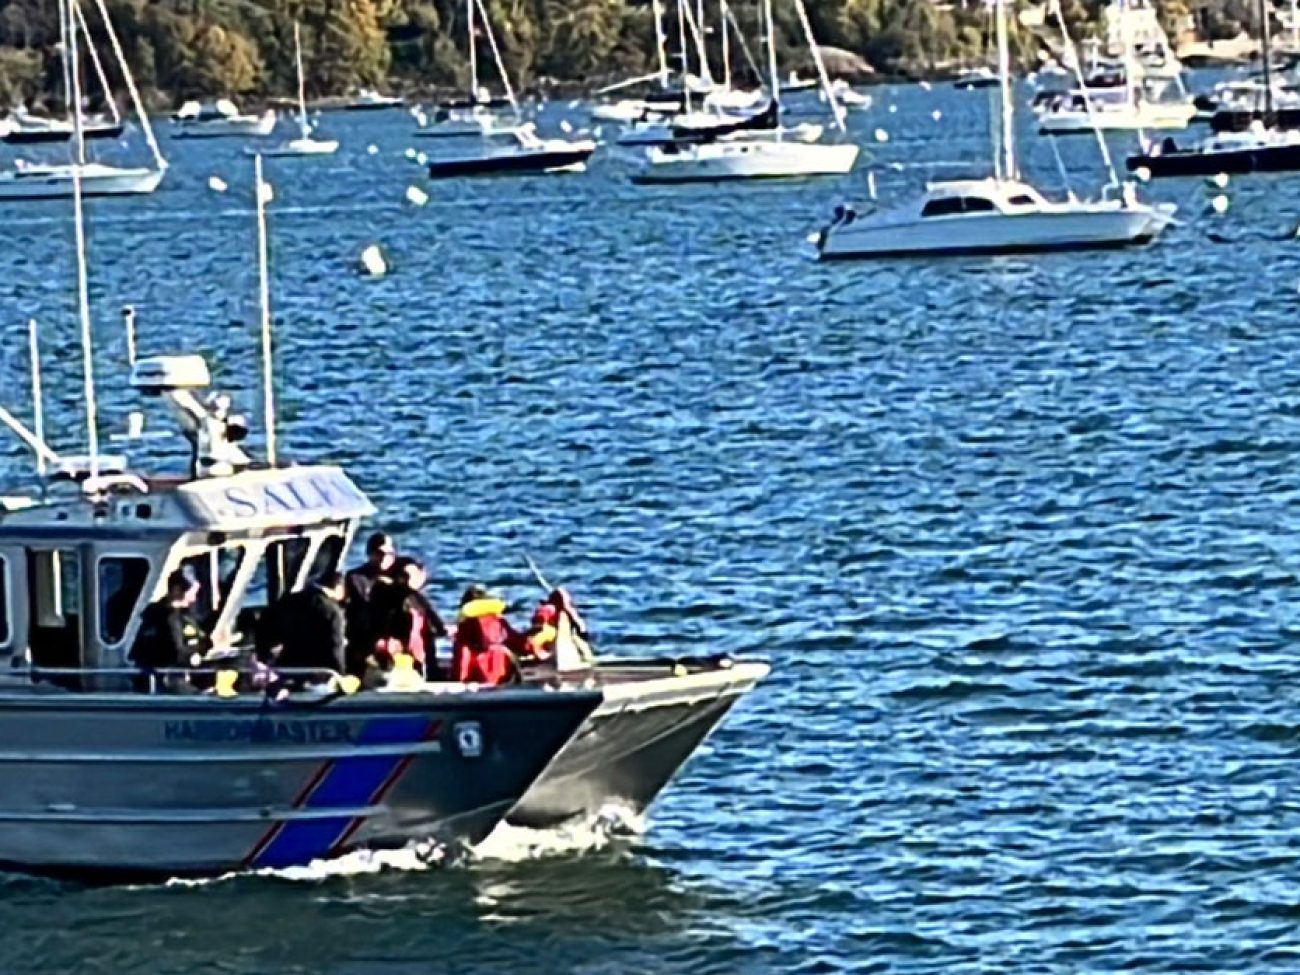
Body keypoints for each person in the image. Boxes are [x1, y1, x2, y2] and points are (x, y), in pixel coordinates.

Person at [258, 570, 348, 681]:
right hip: (318, 671)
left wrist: (264, 657)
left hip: (287, 666)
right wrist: (340, 674)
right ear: (338, 587)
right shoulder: (332, 610)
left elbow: (264, 626)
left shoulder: (287, 601)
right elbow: (336, 644)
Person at [369, 557, 447, 677]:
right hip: (400, 651)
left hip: (410, 651)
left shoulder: (416, 598)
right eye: (406, 575)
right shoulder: (399, 597)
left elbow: (437, 624)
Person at [131, 567, 211, 683]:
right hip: (162, 677)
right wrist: (200, 647)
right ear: (177, 590)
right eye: (192, 593)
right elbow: (178, 652)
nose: (194, 599)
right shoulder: (163, 616)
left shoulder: (181, 615)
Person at [343, 531, 397, 676]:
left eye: (389, 554)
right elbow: (363, 603)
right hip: (364, 638)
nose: (384, 558)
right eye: (380, 553)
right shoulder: (356, 577)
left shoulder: (398, 576)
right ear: (370, 553)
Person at [452, 585, 523, 686]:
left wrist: (458, 681)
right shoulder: (499, 620)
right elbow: (516, 641)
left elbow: (462, 659)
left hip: (478, 673)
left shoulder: (466, 625)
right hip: (499, 667)